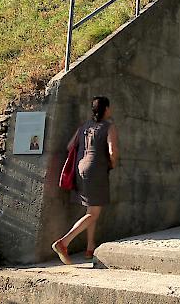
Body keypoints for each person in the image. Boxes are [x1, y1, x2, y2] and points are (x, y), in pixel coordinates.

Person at [52, 96, 119, 264]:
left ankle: (90, 248)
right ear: (106, 109)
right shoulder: (109, 126)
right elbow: (112, 151)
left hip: (80, 168)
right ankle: (63, 242)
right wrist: (112, 163)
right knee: (94, 213)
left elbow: (69, 146)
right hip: (96, 170)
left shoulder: (84, 126)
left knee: (90, 211)